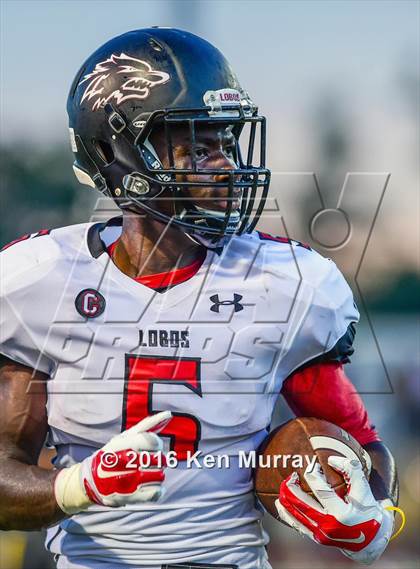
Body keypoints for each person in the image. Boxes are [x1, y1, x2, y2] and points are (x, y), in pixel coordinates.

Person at [0, 28, 398, 569]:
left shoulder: (285, 283)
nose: (226, 165)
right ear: (118, 155)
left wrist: (375, 513)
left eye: (227, 144)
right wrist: (80, 486)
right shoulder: (39, 280)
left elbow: (361, 443)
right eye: (199, 148)